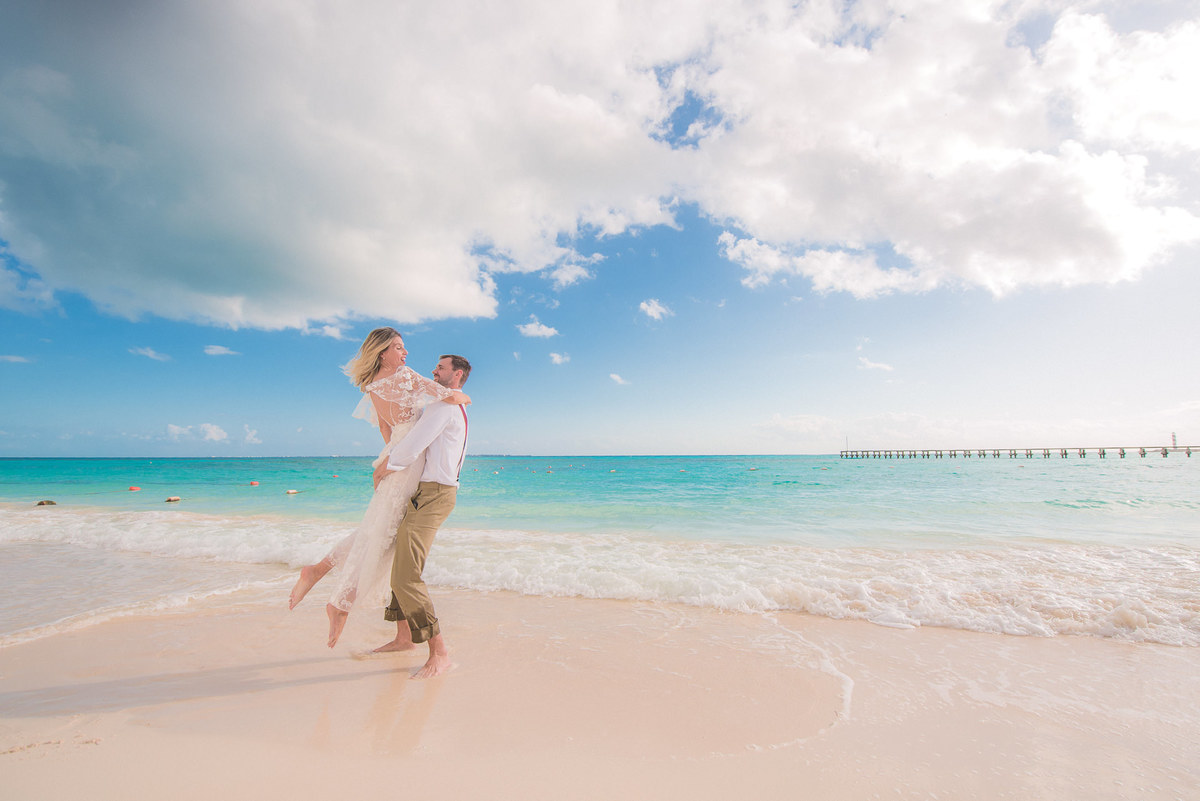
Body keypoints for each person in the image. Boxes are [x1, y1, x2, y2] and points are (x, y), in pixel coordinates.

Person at [287, 328, 469, 649]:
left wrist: (389, 460)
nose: (406, 353)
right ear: (383, 352)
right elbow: (451, 397)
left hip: (394, 452)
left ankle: (325, 581)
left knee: (378, 530)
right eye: (399, 347)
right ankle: (336, 598)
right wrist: (467, 396)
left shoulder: (372, 387)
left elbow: (386, 429)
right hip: (407, 461)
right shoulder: (406, 376)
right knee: (383, 534)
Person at [371, 354, 470, 679]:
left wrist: (385, 467)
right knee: (401, 561)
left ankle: (439, 653)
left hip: (436, 496)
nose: (433, 371)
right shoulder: (450, 405)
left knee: (406, 576)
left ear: (456, 375)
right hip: (427, 493)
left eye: (440, 368)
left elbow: (414, 443)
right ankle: (403, 638)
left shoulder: (443, 408)